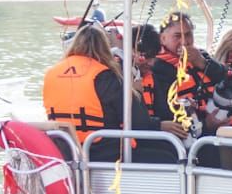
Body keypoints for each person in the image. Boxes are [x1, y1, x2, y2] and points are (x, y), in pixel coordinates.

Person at [42, 24, 171, 162]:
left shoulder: (50, 74)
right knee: (168, 153)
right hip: (102, 152)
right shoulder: (105, 76)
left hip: (66, 149)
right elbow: (139, 123)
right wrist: (135, 93)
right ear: (105, 48)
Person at [146, 12, 228, 139]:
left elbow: (225, 77)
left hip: (218, 120)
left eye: (188, 34)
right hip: (190, 133)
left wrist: (202, 62)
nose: (184, 41)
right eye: (177, 36)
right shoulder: (157, 67)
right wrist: (206, 124)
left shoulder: (201, 56)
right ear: (163, 39)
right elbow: (166, 110)